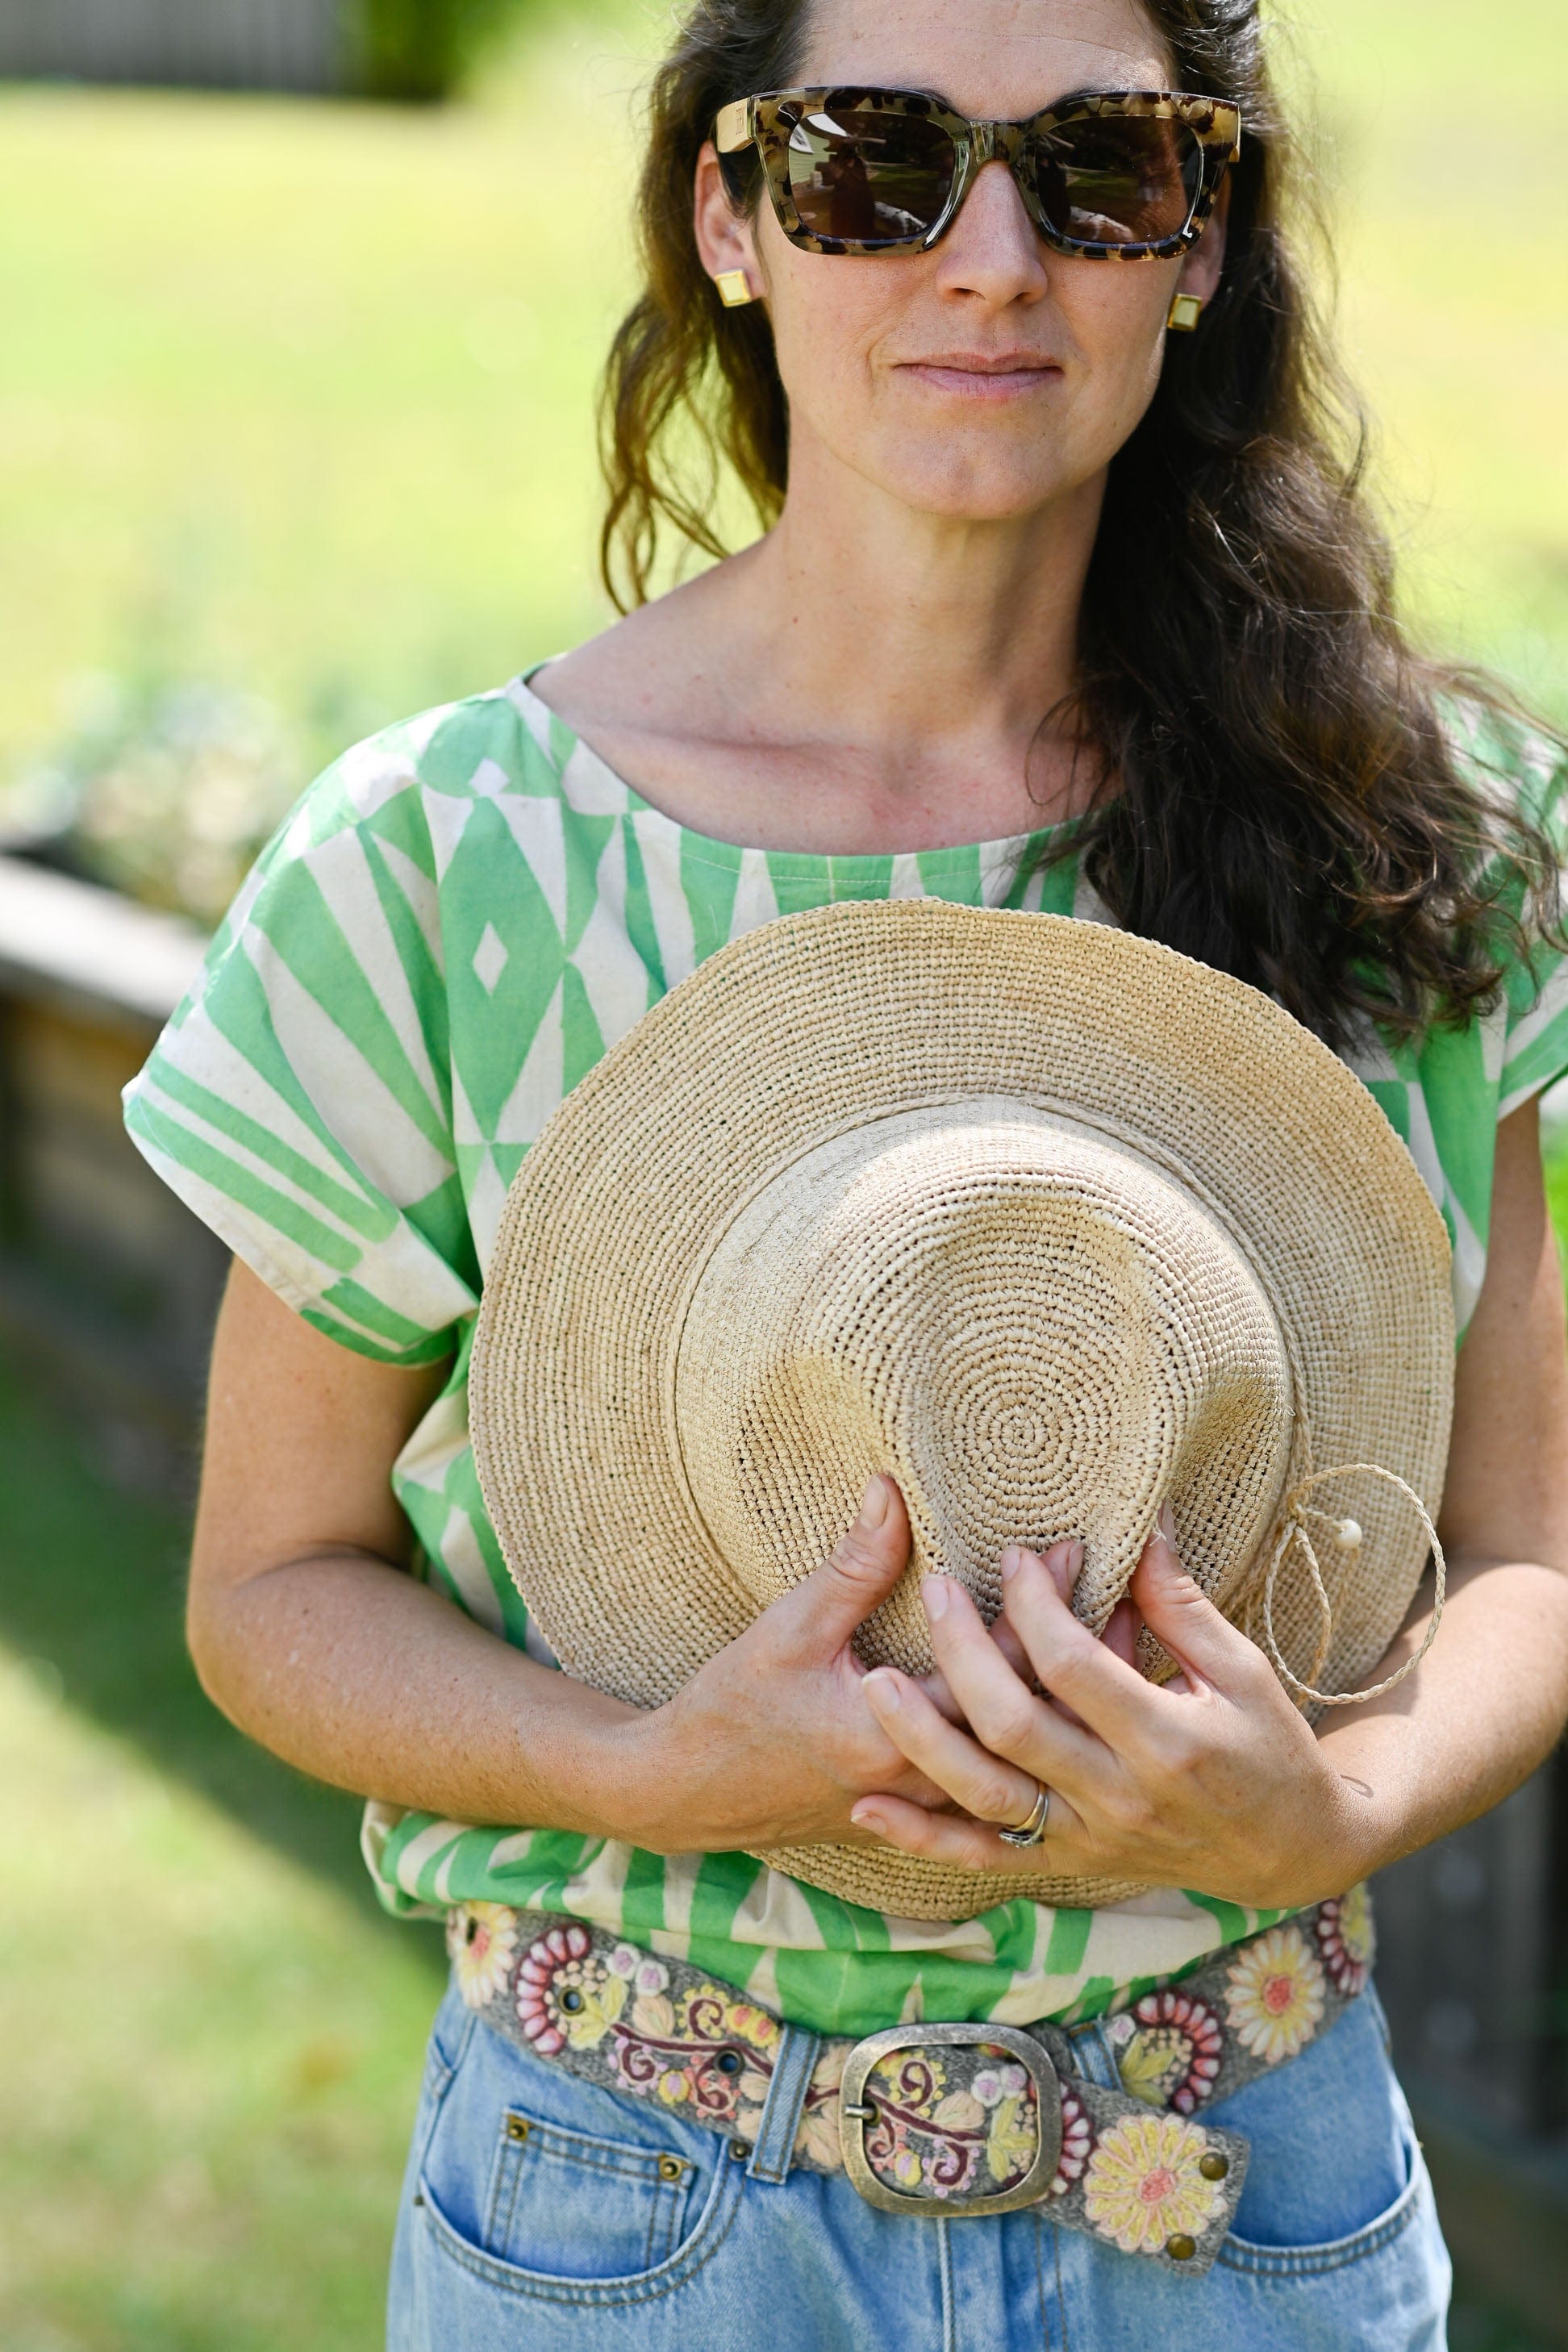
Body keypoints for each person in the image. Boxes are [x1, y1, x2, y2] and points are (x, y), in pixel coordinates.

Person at [122, 0, 1568, 2343]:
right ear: (730, 215)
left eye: (1095, 168)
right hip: (629, 2221)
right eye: (877, 163)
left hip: (1248, 2202)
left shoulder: (1410, 844)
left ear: (1196, 237)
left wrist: (1333, 1809)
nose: (991, 256)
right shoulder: (438, 868)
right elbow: (268, 1583)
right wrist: (642, 1768)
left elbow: (1528, 1552)